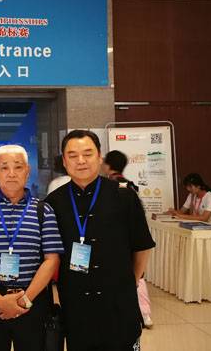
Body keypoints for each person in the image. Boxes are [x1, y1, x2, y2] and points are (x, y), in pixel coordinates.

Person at [45, 130, 155, 351]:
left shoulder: (124, 196)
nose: (81, 161)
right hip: (76, 305)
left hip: (118, 302)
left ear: (99, 156)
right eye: (73, 155)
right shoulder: (54, 202)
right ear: (64, 161)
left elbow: (142, 246)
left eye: (87, 154)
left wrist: (130, 281)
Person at [0, 145, 64, 351]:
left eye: (18, 167)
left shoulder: (43, 210)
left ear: (27, 171)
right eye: (4, 167)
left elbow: (52, 260)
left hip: (33, 299)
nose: (11, 173)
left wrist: (25, 300)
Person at [103, 150, 152, 327]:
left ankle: (141, 313)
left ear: (107, 165)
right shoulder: (129, 184)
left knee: (129, 277)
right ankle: (145, 313)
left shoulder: (110, 185)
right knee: (137, 275)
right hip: (131, 236)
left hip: (118, 239)